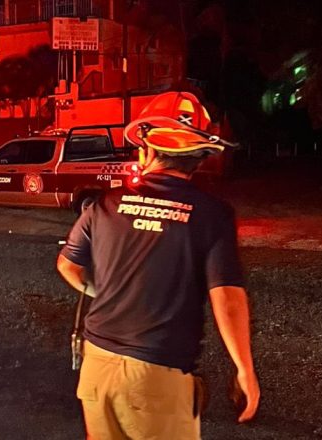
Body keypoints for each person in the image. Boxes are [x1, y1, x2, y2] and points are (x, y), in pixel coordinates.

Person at [56, 92, 260, 439]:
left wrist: (106, 290)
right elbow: (226, 298)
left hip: (97, 368)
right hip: (156, 378)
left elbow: (68, 267)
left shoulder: (105, 205)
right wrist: (245, 370)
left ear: (146, 149)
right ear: (198, 157)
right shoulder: (212, 215)